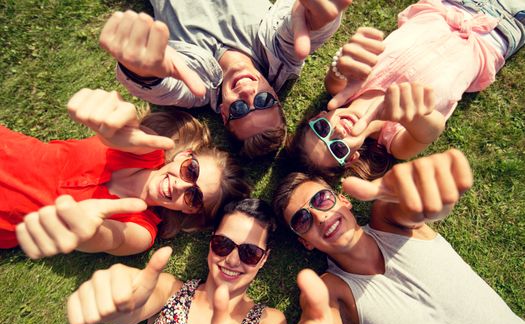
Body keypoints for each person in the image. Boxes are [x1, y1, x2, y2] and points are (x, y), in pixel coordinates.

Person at [273, 149, 525, 324]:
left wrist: (426, 199)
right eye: (302, 220)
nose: (319, 216)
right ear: (305, 242)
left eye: (321, 199)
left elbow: (409, 205)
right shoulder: (330, 290)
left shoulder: (389, 221)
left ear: (344, 200)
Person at [288, 0, 525, 180]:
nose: (337, 132)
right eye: (337, 148)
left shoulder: (342, 88)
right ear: (352, 158)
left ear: (320, 116)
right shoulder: (396, 141)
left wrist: (343, 63)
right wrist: (413, 113)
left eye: (322, 129)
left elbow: (338, 72)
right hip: (499, 35)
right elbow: (433, 129)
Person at [0, 88, 250, 258]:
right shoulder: (146, 149)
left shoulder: (142, 230)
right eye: (191, 170)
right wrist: (115, 117)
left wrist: (90, 233)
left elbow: (114, 239)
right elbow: (125, 134)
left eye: (194, 196)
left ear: (190, 210)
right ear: (184, 156)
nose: (180, 186)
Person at [99, 0, 353, 158]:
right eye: (264, 101)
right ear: (276, 95)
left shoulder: (195, 87)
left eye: (240, 109)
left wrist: (142, 70)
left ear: (222, 113)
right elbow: (303, 24)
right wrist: (319, 15)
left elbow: (163, 88)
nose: (248, 95)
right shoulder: (279, 54)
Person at [66, 198, 287, 324]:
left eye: (249, 252)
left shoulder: (268, 322)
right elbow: (134, 306)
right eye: (223, 244)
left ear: (264, 258)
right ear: (211, 242)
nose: (232, 259)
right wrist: (120, 303)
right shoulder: (172, 290)